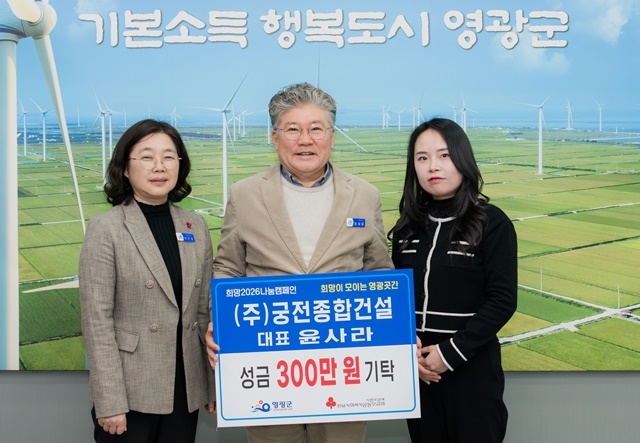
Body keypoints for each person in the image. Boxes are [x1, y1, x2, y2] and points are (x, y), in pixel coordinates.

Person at [207, 82, 394, 443]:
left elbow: (380, 274)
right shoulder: (244, 194)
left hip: (344, 367)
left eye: (316, 129)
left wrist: (395, 331)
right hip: (267, 365)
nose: (305, 140)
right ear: (274, 137)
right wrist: (221, 322)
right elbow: (227, 268)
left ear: (332, 137)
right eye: (292, 129)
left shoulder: (365, 195)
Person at [79, 119, 215, 443]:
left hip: (185, 388)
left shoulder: (195, 226)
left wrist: (211, 385)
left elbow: (203, 313)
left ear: (180, 165)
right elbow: (97, 322)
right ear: (125, 168)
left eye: (169, 157)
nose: (159, 166)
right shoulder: (106, 228)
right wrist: (109, 401)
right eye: (146, 157)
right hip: (130, 391)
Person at [388, 118, 517, 443]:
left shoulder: (492, 222)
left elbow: (502, 300)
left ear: (463, 159)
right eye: (422, 158)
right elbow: (395, 299)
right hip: (420, 372)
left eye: (444, 155)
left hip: (472, 369)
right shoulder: (406, 228)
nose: (433, 166)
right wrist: (409, 352)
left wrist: (449, 354)